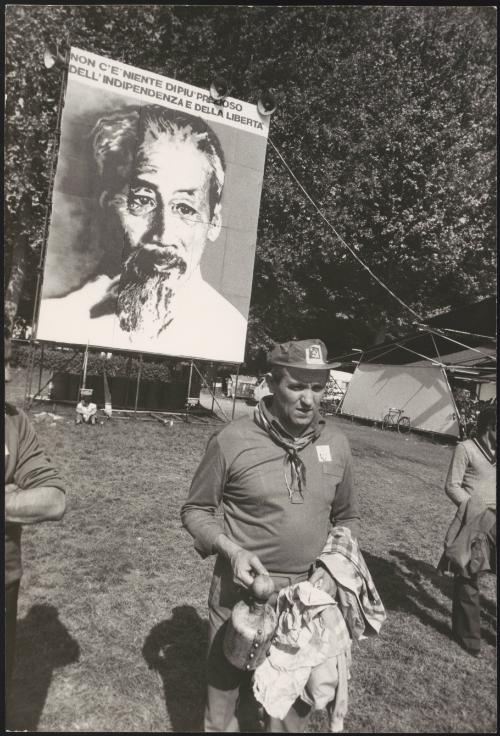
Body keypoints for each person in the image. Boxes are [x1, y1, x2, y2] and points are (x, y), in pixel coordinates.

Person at [181, 339, 361, 732]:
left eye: (318, 387)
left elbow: (347, 518)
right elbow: (195, 510)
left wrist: (333, 569)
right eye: (297, 386)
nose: (309, 400)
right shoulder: (232, 440)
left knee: (286, 718)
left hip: (305, 605)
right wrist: (230, 550)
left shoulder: (337, 445)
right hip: (240, 597)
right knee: (222, 712)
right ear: (271, 383)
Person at [36, 105, 246, 362]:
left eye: (184, 208)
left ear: (213, 223)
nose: (163, 234)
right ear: (108, 205)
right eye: (143, 200)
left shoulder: (229, 331)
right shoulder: (59, 318)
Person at [4, 347, 66, 695]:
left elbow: (55, 500)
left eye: (10, 362)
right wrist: (13, 496)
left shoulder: (14, 421)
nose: (10, 375)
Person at [441, 404, 496, 656]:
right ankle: (469, 637)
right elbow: (452, 485)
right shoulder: (466, 448)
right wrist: (474, 510)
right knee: (467, 577)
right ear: (491, 427)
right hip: (474, 520)